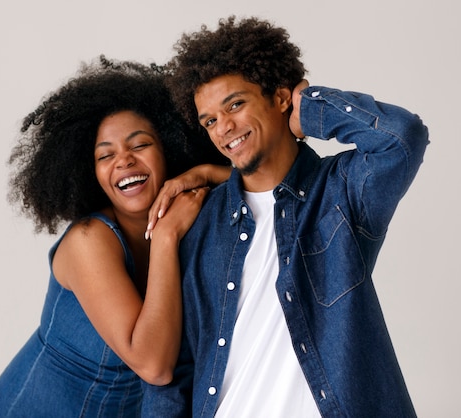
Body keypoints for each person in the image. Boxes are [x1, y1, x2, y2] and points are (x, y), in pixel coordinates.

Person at [142, 16, 429, 417]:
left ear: (279, 98)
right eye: (210, 121)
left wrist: (309, 110)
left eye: (235, 105)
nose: (223, 128)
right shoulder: (199, 224)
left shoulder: (340, 193)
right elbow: (179, 366)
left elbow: (402, 139)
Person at [0, 56, 229, 418]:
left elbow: (262, 185)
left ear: (169, 149)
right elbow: (154, 365)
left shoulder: (188, 211)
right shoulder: (89, 240)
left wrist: (206, 171)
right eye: (105, 155)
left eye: (140, 145)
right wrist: (164, 238)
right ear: (91, 173)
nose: (124, 160)